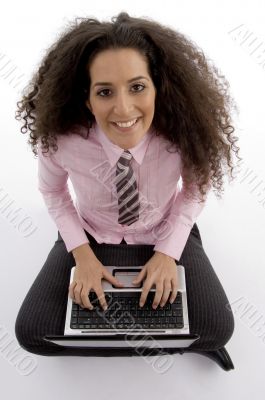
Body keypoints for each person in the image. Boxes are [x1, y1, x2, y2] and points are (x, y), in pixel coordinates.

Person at [14, 12, 241, 357]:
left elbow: (195, 189)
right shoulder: (62, 141)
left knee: (217, 329)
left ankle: (161, 340)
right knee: (32, 334)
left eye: (137, 87)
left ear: (156, 88)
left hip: (162, 229)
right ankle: (164, 344)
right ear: (87, 99)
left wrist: (167, 253)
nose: (123, 109)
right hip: (91, 233)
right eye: (105, 92)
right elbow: (53, 192)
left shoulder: (182, 136)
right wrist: (83, 255)